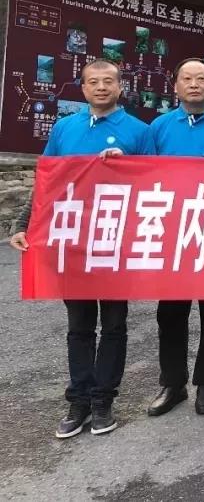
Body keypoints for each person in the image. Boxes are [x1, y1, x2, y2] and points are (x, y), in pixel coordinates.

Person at [10, 59, 153, 438]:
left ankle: (104, 400)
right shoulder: (64, 128)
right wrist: (22, 224)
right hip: (72, 242)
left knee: (115, 324)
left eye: (108, 81)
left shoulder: (139, 131)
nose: (101, 87)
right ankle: (79, 400)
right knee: (79, 325)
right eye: (94, 82)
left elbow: (155, 185)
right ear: (84, 88)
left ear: (120, 87)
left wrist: (128, 166)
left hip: (116, 241)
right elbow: (48, 182)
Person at [145, 58, 204, 418]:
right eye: (186, 78)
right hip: (172, 233)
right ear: (175, 85)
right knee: (170, 313)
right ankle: (172, 383)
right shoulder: (159, 127)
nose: (194, 84)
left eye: (201, 78)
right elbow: (144, 176)